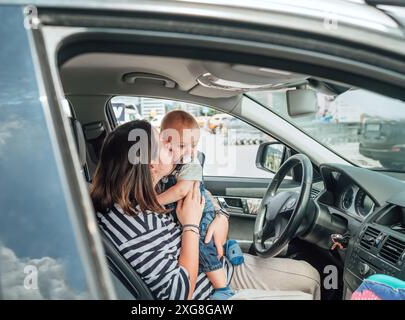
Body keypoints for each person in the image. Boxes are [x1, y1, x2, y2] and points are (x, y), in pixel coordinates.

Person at [91, 120, 321, 300]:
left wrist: (220, 217)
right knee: (305, 291)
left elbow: (200, 193)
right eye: (162, 143)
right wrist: (190, 226)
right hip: (208, 292)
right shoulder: (130, 223)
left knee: (310, 276)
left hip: (221, 268)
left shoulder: (153, 189)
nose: (170, 143)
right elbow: (179, 295)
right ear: (150, 163)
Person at [157, 110, 240, 300]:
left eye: (194, 145)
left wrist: (154, 202)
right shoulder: (166, 163)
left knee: (203, 246)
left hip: (200, 213)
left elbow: (181, 190)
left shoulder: (190, 164)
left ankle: (223, 288)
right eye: (183, 145)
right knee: (209, 243)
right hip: (189, 215)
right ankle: (229, 247)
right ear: (165, 141)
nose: (190, 151)